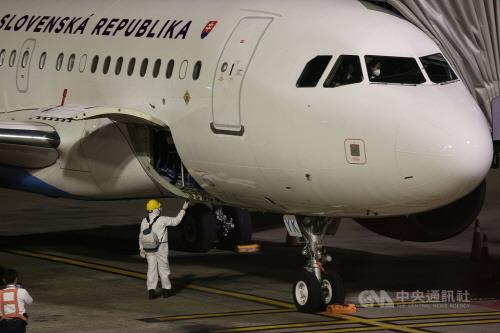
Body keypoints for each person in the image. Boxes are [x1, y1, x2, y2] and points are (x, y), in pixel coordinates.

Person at [139, 199, 189, 299]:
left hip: (148, 248)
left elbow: (141, 236)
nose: (160, 208)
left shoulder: (144, 221)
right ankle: (166, 290)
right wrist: (183, 209)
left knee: (151, 269)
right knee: (163, 268)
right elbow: (176, 221)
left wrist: (141, 248)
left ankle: (151, 291)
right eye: (158, 207)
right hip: (161, 247)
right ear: (155, 209)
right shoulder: (162, 219)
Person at [0, 269, 33, 333]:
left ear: (3, 280)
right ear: (16, 279)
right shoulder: (22, 291)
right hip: (18, 323)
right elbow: (30, 302)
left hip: (3, 324)